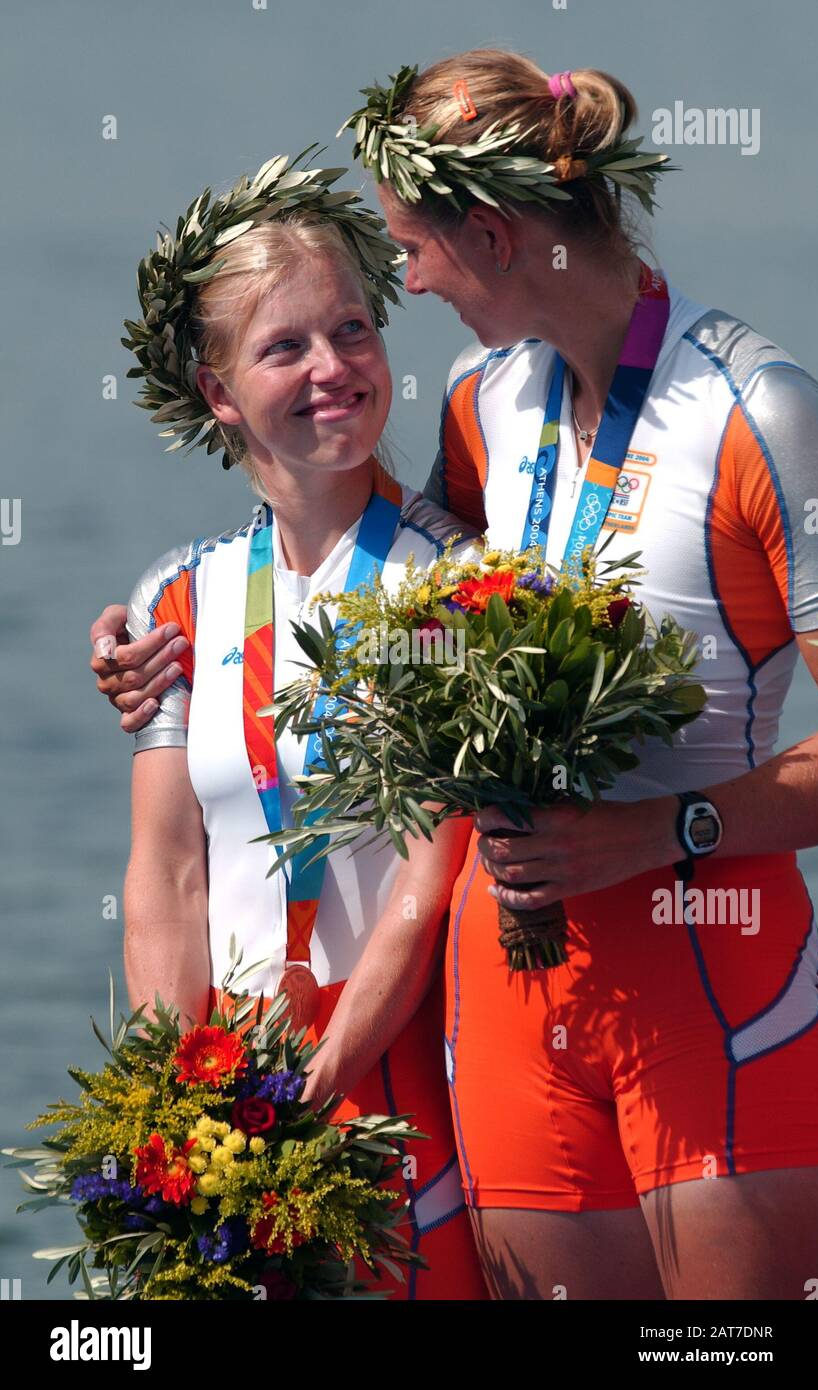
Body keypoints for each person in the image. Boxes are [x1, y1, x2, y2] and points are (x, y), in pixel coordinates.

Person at [92, 52, 818, 1301]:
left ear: (487, 234)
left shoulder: (761, 410)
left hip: (708, 970)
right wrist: (156, 658)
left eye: (409, 252)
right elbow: (373, 613)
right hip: (508, 1010)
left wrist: (658, 830)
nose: (409, 282)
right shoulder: (489, 405)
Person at [98, 157, 488, 1301]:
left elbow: (430, 875)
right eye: (285, 348)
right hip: (231, 1108)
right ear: (218, 393)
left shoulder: (455, 584)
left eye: (354, 330)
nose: (334, 370)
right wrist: (182, 1101)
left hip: (403, 1082)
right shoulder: (178, 597)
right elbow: (167, 877)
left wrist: (318, 1077)